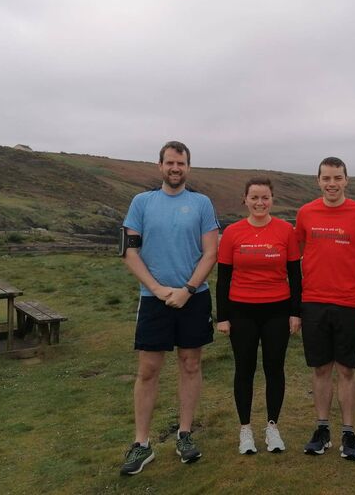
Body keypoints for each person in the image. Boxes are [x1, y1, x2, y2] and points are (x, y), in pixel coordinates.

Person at [119, 141, 219, 475]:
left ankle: (185, 434)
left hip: (194, 297)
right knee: (148, 369)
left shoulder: (202, 203)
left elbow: (210, 253)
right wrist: (159, 289)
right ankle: (141, 444)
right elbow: (129, 252)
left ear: (189, 167)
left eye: (181, 163)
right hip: (154, 300)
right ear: (160, 165)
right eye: (170, 163)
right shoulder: (141, 202)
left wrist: (188, 289)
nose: (175, 168)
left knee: (190, 364)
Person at [215, 177, 302, 455]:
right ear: (245, 199)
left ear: (272, 199)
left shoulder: (285, 231)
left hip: (277, 309)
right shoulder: (232, 232)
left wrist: (295, 313)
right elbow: (223, 278)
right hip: (241, 311)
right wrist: (222, 317)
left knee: (274, 369)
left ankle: (272, 428)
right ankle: (245, 430)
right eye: (254, 197)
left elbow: (295, 275)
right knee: (244, 370)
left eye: (265, 197)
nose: (260, 203)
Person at [295, 157, 355, 461]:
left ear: (346, 179)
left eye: (337, 178)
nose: (332, 183)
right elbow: (295, 254)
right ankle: (322, 428)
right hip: (313, 301)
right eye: (326, 178)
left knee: (347, 369)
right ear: (318, 180)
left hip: (350, 302)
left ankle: (349, 432)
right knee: (321, 368)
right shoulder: (305, 213)